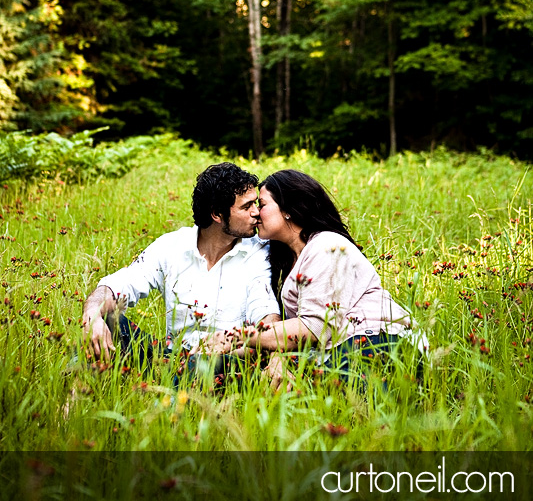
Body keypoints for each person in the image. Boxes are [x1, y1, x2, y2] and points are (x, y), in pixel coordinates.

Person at [202, 169, 426, 387]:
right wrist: (213, 350)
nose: (256, 213)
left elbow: (315, 327)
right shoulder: (288, 261)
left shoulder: (327, 245)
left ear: (288, 209)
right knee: (235, 374)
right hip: (334, 354)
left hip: (379, 343)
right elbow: (293, 335)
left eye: (262, 204)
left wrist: (234, 337)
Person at [82, 162, 280, 371]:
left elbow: (266, 312)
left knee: (202, 364)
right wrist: (92, 313)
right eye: (246, 207)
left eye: (255, 203)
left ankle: (175, 399)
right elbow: (121, 284)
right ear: (217, 214)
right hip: (170, 357)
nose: (257, 212)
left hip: (225, 359)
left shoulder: (258, 252)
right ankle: (74, 397)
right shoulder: (171, 246)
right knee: (103, 320)